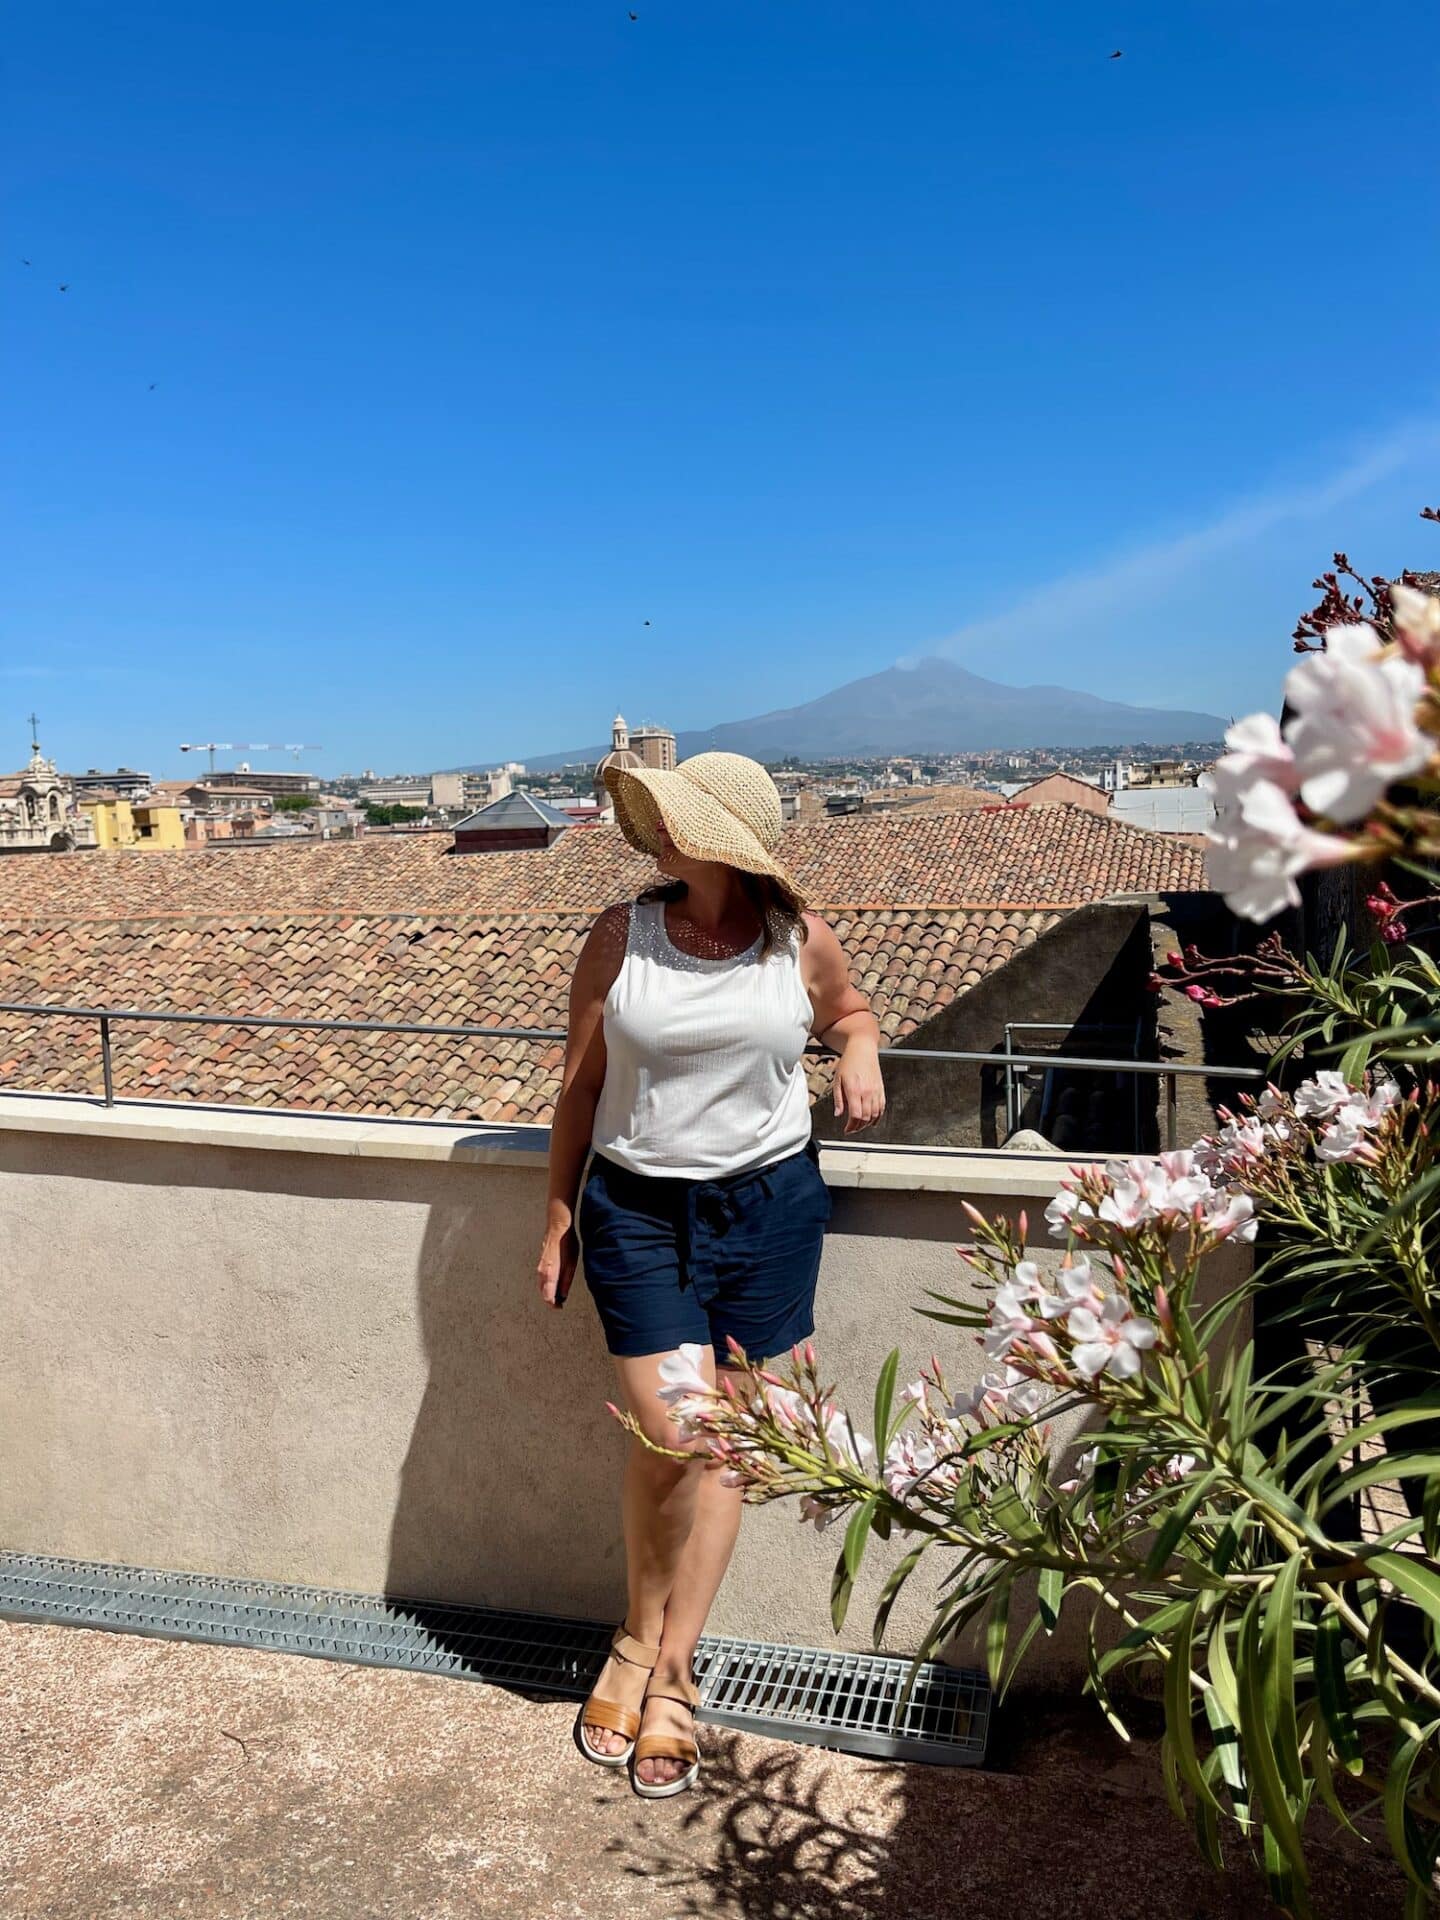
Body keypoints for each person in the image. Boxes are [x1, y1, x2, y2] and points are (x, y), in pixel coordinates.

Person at [537, 751, 885, 1798]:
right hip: (638, 1213)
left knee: (730, 1447)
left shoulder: (799, 940)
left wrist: (859, 1049)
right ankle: (637, 1639)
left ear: (717, 838)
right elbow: (580, 1087)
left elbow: (851, 1010)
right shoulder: (620, 935)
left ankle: (672, 1674)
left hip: (771, 1210)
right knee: (671, 1436)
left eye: (675, 818)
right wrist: (558, 1215)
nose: (654, 831)